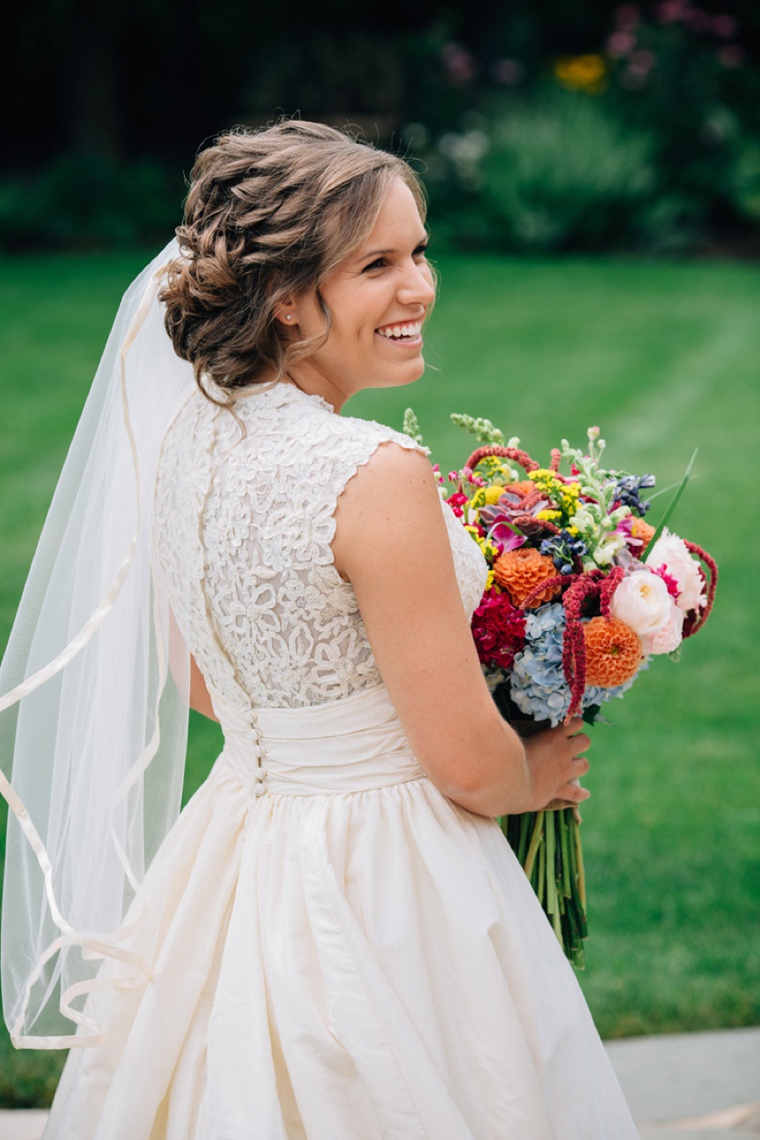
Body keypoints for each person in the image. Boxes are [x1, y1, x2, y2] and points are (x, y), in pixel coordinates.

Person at [0, 121, 638, 1138]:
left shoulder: (183, 444)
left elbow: (197, 674)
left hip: (239, 841)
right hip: (386, 872)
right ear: (288, 299)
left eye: (420, 252)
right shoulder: (371, 476)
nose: (418, 287)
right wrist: (537, 771)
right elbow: (466, 764)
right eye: (376, 264)